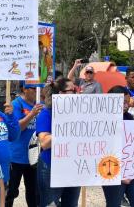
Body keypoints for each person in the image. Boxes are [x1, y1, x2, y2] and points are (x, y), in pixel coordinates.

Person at [36, 78, 80, 206]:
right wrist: (67, 128)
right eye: (73, 90)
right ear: (61, 94)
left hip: (73, 165)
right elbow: (44, 142)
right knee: (50, 204)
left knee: (71, 203)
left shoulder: (78, 112)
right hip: (50, 166)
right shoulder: (46, 114)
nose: (76, 93)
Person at [6, 82, 43, 207]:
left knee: (34, 193)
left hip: (34, 158)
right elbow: (18, 128)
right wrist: (32, 114)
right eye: (33, 88)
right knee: (10, 191)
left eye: (39, 88)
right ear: (24, 89)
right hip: (16, 157)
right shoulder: (16, 104)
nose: (37, 91)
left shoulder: (40, 105)